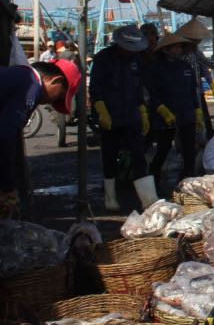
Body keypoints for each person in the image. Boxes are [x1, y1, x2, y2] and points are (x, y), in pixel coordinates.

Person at [0, 59, 80, 216]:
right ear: (55, 80)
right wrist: (7, 186)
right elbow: (4, 136)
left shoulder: (19, 73)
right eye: (60, 96)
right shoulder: (32, 85)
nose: (52, 102)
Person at [90, 25, 155, 211]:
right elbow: (95, 88)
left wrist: (143, 111)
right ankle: (110, 197)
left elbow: (138, 88)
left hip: (131, 114)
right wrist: (101, 110)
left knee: (139, 154)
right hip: (110, 114)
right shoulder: (103, 58)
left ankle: (148, 199)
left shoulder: (136, 60)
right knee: (109, 155)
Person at [146, 33, 201, 189]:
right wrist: (161, 109)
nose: (178, 49)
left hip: (187, 113)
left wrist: (197, 111)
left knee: (189, 149)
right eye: (175, 46)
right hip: (165, 115)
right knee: (163, 148)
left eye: (180, 46)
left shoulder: (185, 67)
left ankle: (188, 181)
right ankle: (154, 179)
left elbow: (192, 91)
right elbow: (151, 93)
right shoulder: (156, 68)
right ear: (166, 49)